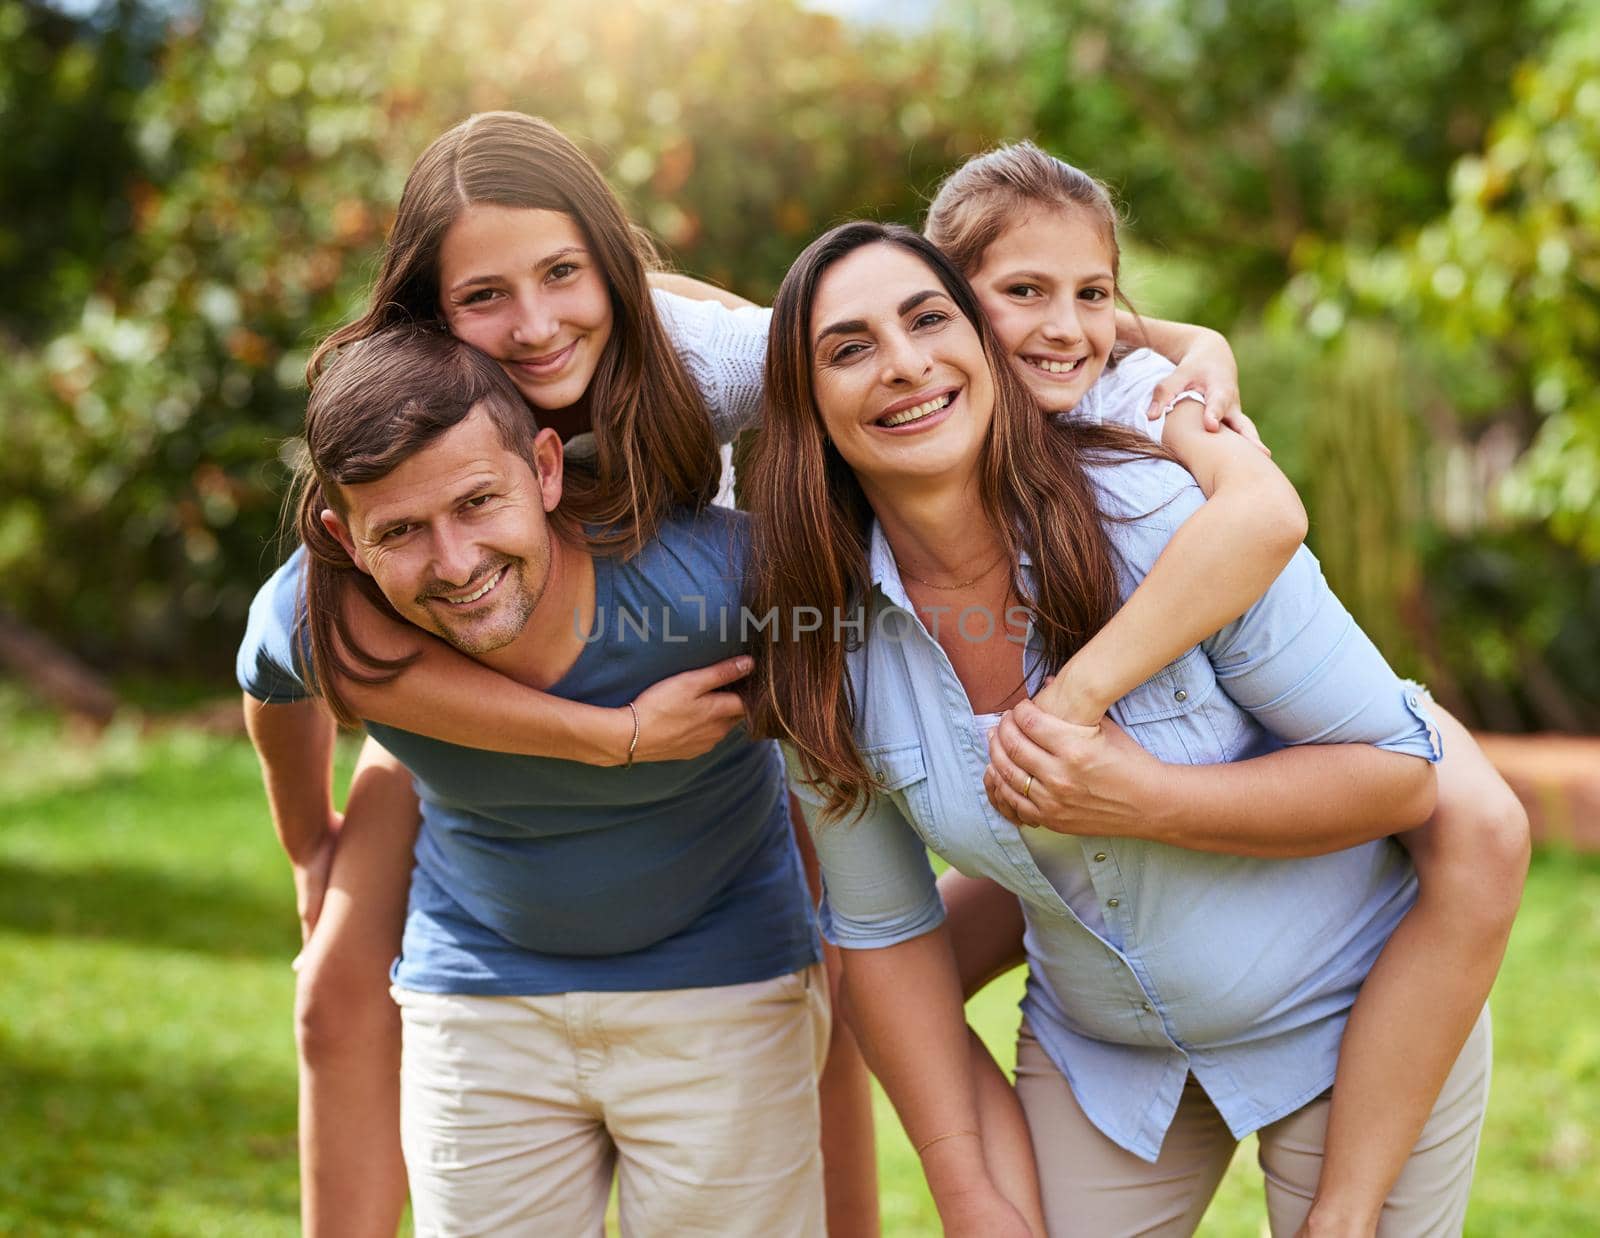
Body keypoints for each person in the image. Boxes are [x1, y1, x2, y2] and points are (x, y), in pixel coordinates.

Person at [242, 111, 1246, 1238]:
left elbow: (915, 331)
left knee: (823, 963)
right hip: (491, 672)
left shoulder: (688, 353)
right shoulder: (412, 431)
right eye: (484, 297)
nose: (532, 326)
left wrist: (1175, 338)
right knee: (334, 989)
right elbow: (306, 642)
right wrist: (311, 839)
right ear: (430, 310)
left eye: (564, 273)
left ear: (610, 269)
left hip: (728, 643)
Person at [744, 218, 1512, 1236]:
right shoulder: (814, 646)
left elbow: (1399, 777)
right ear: (806, 411)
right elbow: (886, 934)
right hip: (1102, 1062)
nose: (903, 363)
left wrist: (1147, 797)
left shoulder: (1161, 512)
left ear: (979, 345)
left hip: (1350, 1008)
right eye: (847, 348)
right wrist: (966, 1189)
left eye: (928, 319)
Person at [241, 323, 832, 1234]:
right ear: (343, 540)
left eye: (479, 502)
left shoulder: (715, 581)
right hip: (479, 998)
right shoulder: (318, 614)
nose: (455, 562)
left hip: (721, 986)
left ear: (546, 471)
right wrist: (307, 842)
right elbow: (271, 686)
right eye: (399, 531)